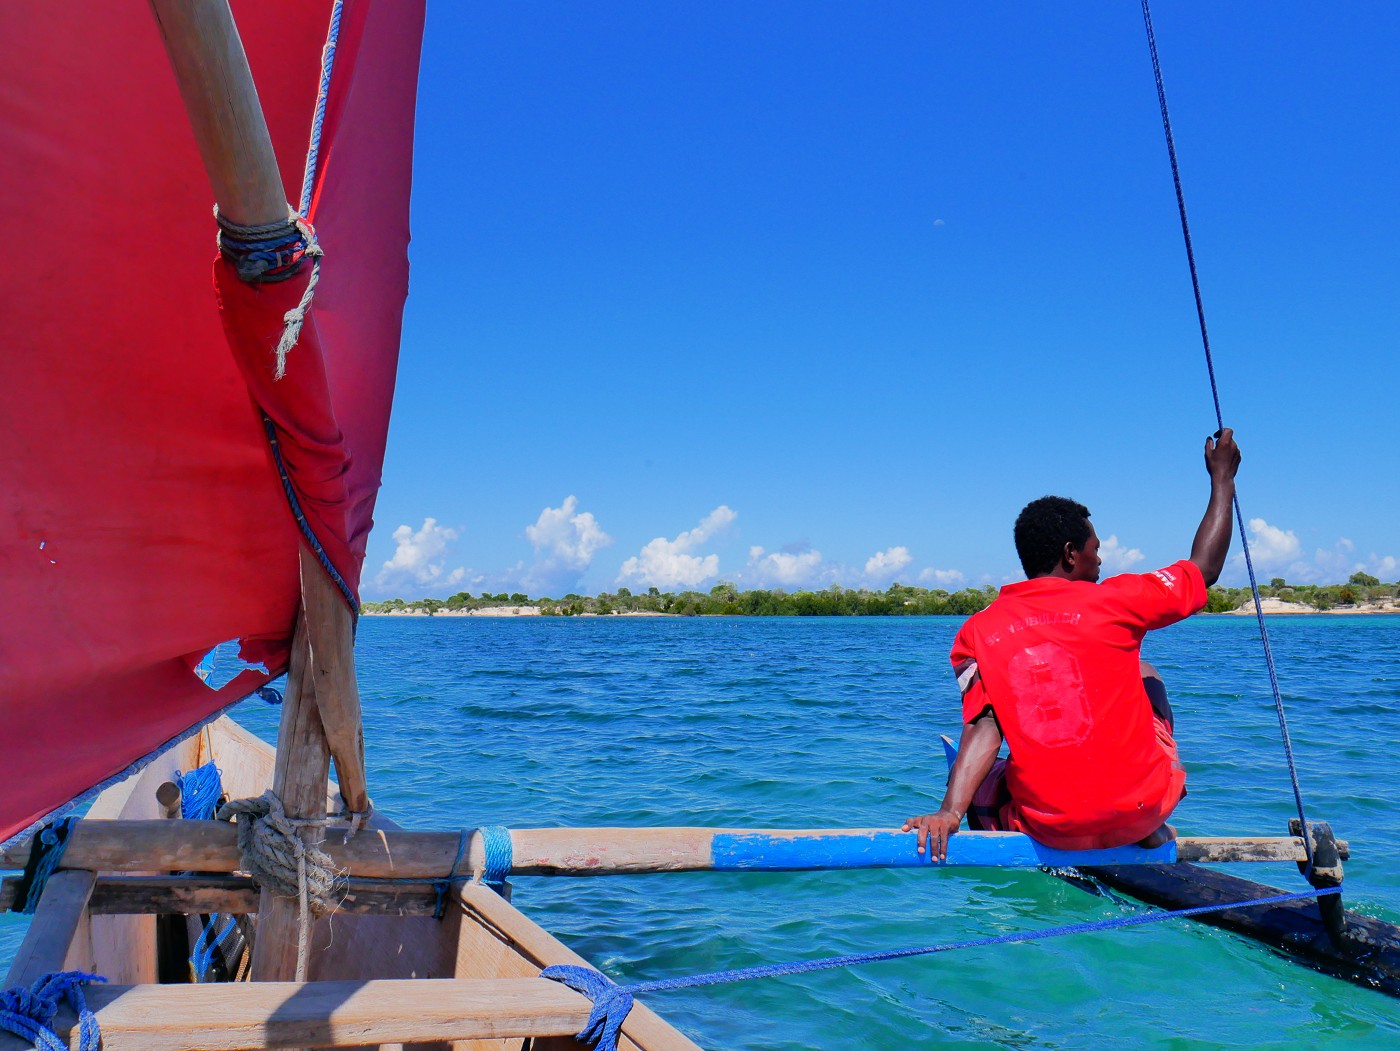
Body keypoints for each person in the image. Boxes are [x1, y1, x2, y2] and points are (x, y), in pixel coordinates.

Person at [903, 428, 1242, 859]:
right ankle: (1145, 820)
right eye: (1094, 550)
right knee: (1147, 674)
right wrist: (1222, 481)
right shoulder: (1118, 600)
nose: (1099, 561)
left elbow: (985, 725)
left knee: (993, 786)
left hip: (1052, 828)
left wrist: (950, 812)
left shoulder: (977, 630)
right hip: (1142, 814)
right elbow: (1204, 568)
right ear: (1069, 554)